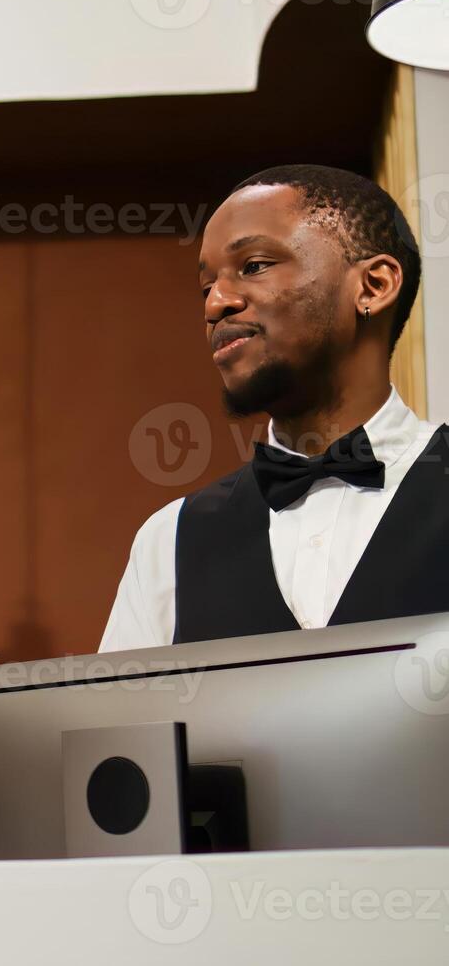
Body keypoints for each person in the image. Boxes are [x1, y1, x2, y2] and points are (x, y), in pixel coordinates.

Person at [101, 164, 435, 651]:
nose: (215, 303)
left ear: (374, 285)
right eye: (205, 287)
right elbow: (122, 724)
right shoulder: (169, 540)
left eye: (254, 266)